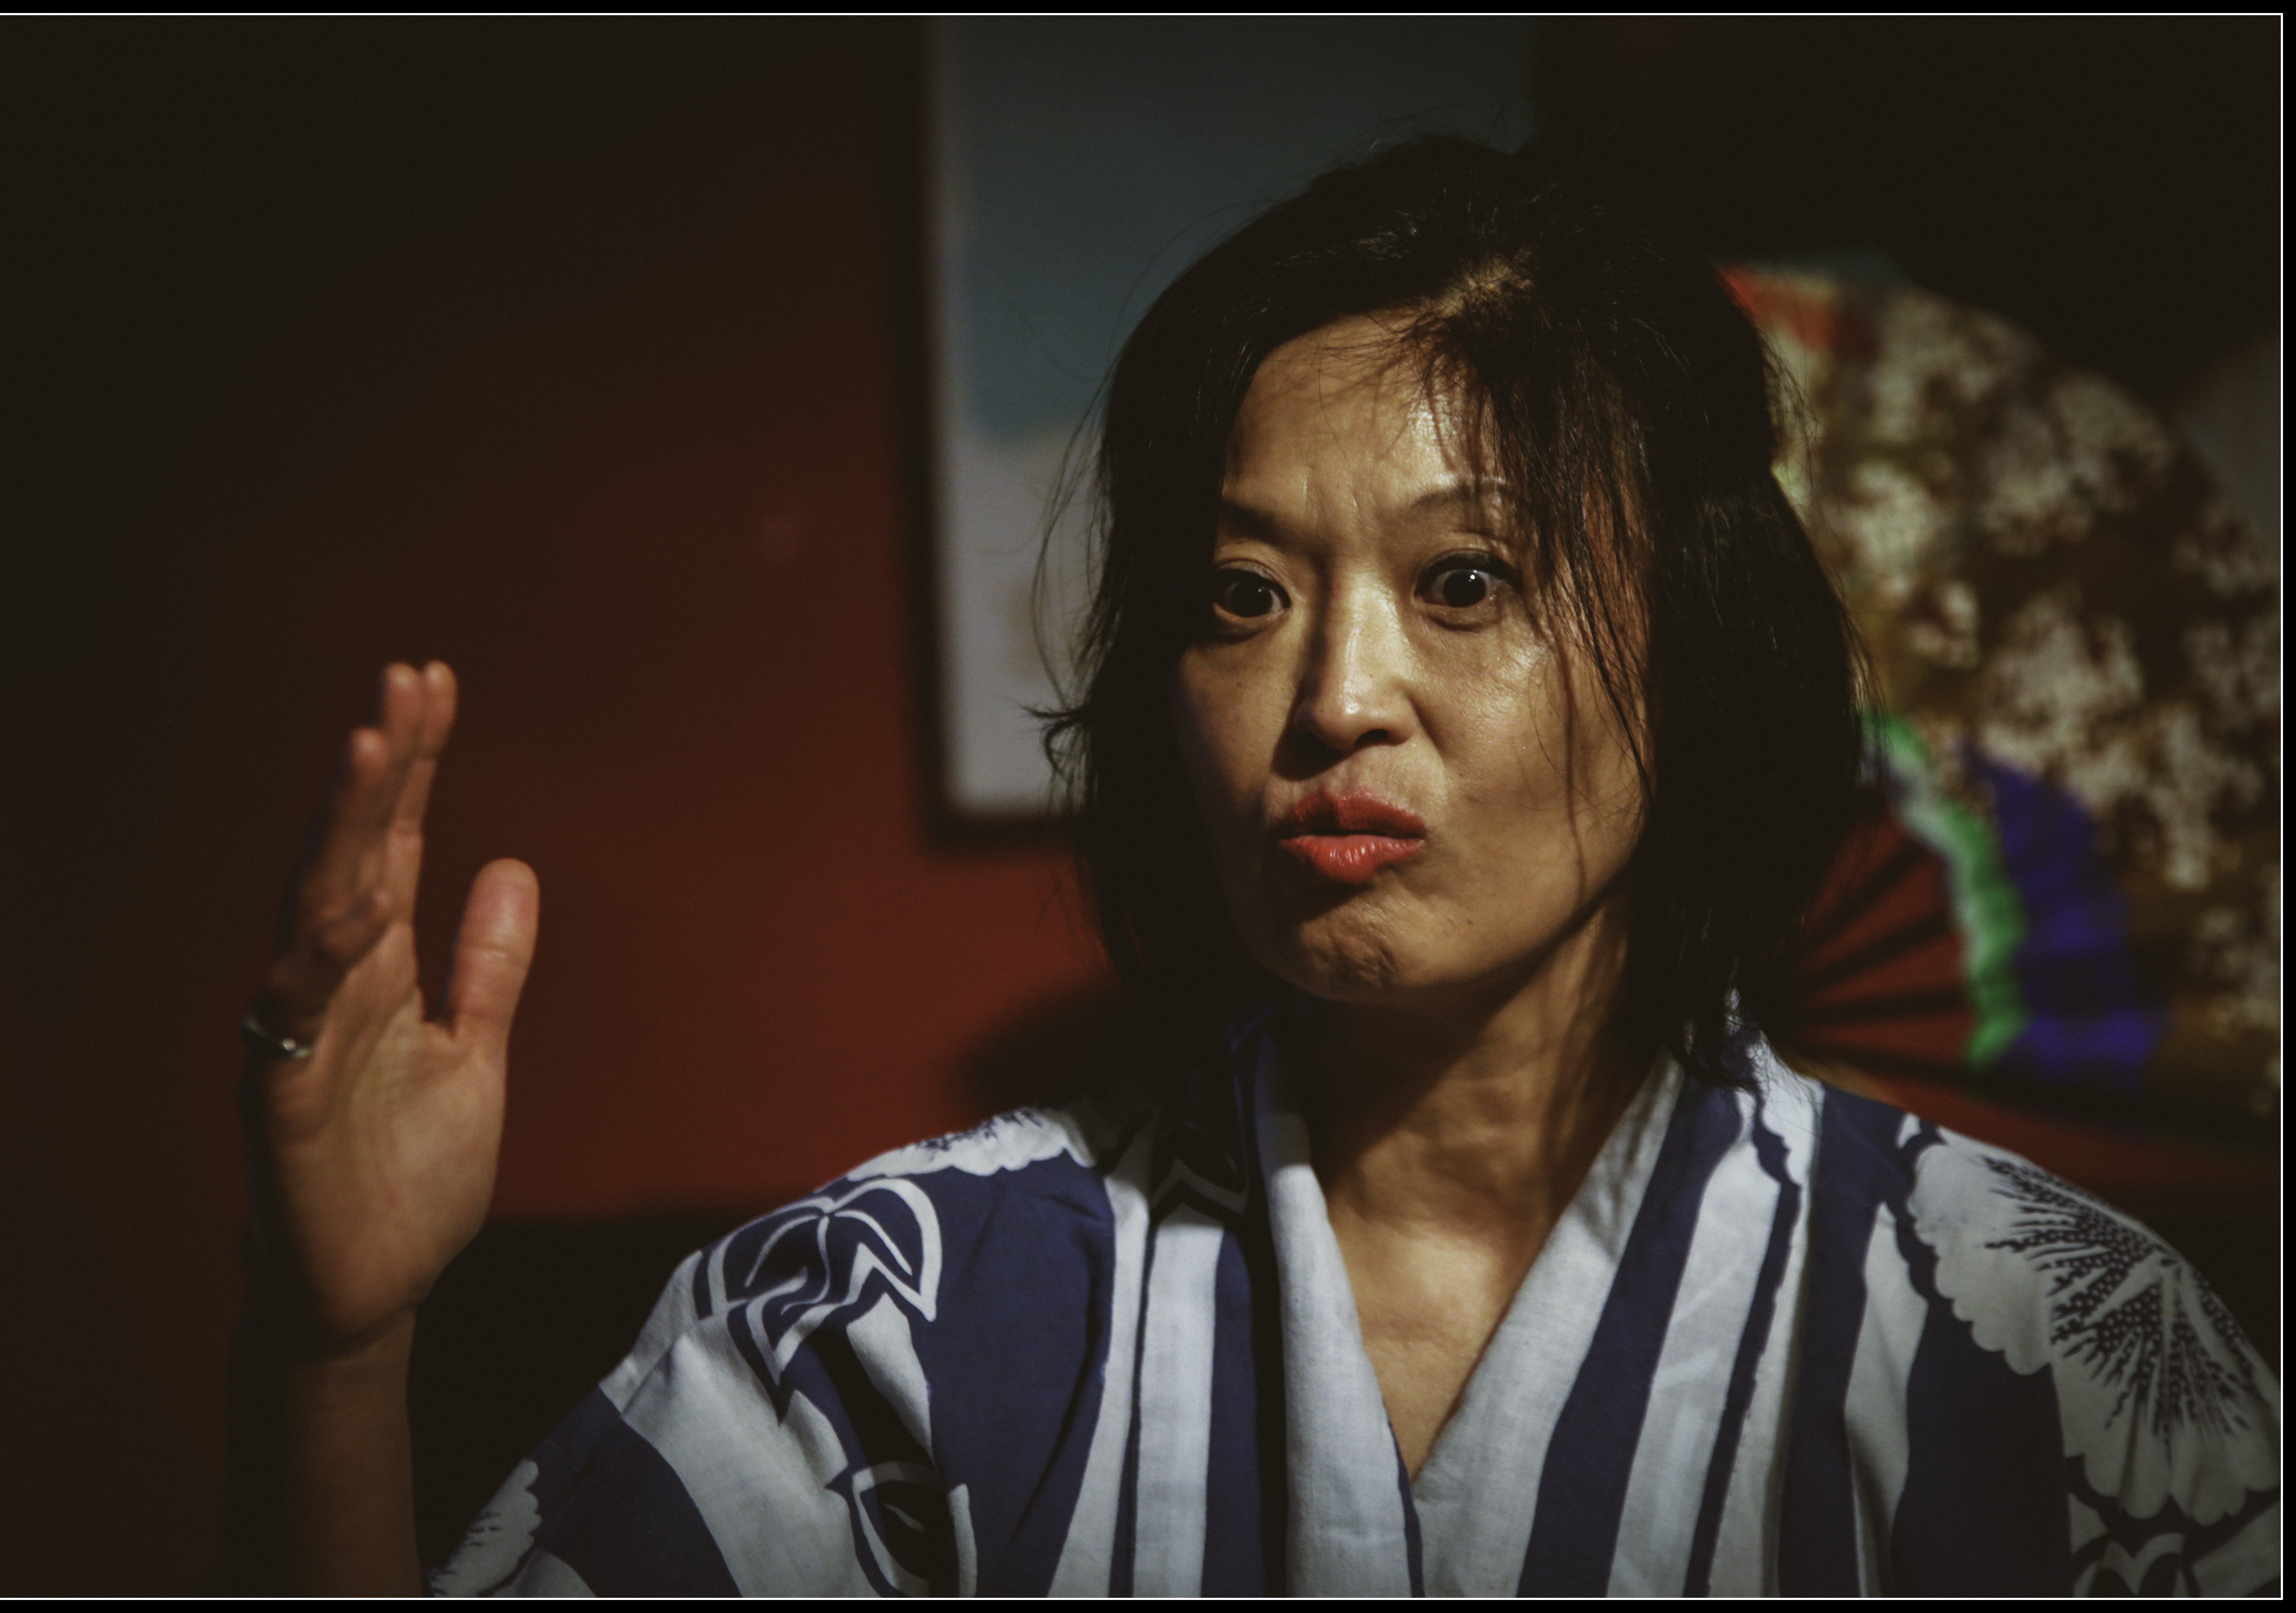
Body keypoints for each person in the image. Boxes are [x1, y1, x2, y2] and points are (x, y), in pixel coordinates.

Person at [217, 138, 2279, 1596]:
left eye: (1465, 581)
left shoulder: (2049, 1345)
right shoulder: (899, 1318)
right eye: (1242, 593)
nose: (1334, 699)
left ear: (1699, 656)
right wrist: (339, 1354)